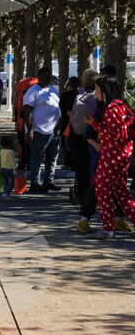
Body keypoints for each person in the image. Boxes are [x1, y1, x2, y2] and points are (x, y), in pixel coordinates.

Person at [82, 75, 135, 238]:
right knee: (121, 193)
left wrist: (94, 125)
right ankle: (110, 227)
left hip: (112, 156)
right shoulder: (124, 107)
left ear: (105, 91)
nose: (96, 93)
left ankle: (108, 229)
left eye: (97, 90)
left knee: (103, 190)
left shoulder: (112, 109)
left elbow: (114, 135)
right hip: (123, 155)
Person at [22, 67, 60, 192]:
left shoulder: (53, 90)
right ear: (38, 77)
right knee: (37, 157)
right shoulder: (33, 91)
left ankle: (48, 181)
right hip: (39, 131)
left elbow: (57, 108)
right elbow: (27, 110)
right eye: (43, 77)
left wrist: (58, 126)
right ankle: (35, 183)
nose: (46, 79)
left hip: (53, 131)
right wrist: (30, 130)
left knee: (52, 158)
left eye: (48, 77)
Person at [69, 70, 99, 203]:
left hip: (76, 135)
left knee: (80, 166)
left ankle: (81, 194)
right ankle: (94, 194)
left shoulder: (76, 94)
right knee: (94, 166)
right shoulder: (99, 94)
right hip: (95, 135)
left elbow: (69, 114)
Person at [57, 76, 80, 170]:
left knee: (66, 144)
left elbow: (62, 109)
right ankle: (73, 163)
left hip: (65, 123)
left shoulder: (64, 95)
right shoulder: (79, 94)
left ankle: (67, 162)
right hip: (76, 123)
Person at [0, 135, 18, 202]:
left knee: (5, 183)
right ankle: (6, 194)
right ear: (9, 144)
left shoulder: (1, 151)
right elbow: (12, 161)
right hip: (9, 170)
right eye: (12, 143)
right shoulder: (10, 152)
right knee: (12, 183)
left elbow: (0, 159)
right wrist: (15, 168)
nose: (14, 144)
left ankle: (5, 195)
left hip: (2, 169)